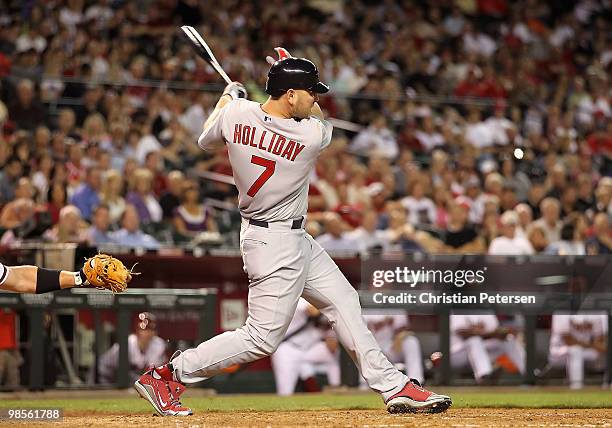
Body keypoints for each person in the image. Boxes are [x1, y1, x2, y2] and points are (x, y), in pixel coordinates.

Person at [135, 56, 451, 417]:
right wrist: (267, 80)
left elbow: (206, 139)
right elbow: (319, 122)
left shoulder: (237, 113)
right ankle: (168, 375)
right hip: (274, 243)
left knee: (343, 300)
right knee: (261, 338)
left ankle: (394, 387)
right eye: (310, 92)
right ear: (289, 95)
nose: (315, 99)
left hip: (286, 236)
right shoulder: (309, 134)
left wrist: (227, 98)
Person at [271, 298, 340, 396]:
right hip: (287, 349)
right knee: (285, 392)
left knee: (332, 354)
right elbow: (314, 312)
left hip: (307, 350)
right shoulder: (298, 298)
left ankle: (335, 388)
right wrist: (332, 309)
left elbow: (332, 345)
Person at [450, 314, 525, 383]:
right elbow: (463, 333)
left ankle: (529, 372)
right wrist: (483, 332)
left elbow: (495, 331)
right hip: (457, 354)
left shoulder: (486, 311)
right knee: (474, 340)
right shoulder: (457, 309)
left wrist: (501, 333)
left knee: (509, 340)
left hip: (480, 354)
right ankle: (484, 375)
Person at [98, 312, 166, 384]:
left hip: (132, 377)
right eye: (145, 329)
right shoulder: (128, 343)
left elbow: (155, 371)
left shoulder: (158, 344)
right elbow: (114, 369)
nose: (148, 333)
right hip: (107, 373)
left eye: (152, 329)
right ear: (137, 330)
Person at [548, 313, 607, 389]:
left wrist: (598, 347)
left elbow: (600, 340)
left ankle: (607, 386)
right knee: (575, 350)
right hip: (559, 352)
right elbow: (569, 341)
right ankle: (576, 388)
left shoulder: (597, 310)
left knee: (603, 352)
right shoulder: (562, 308)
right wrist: (592, 345)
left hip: (588, 351)